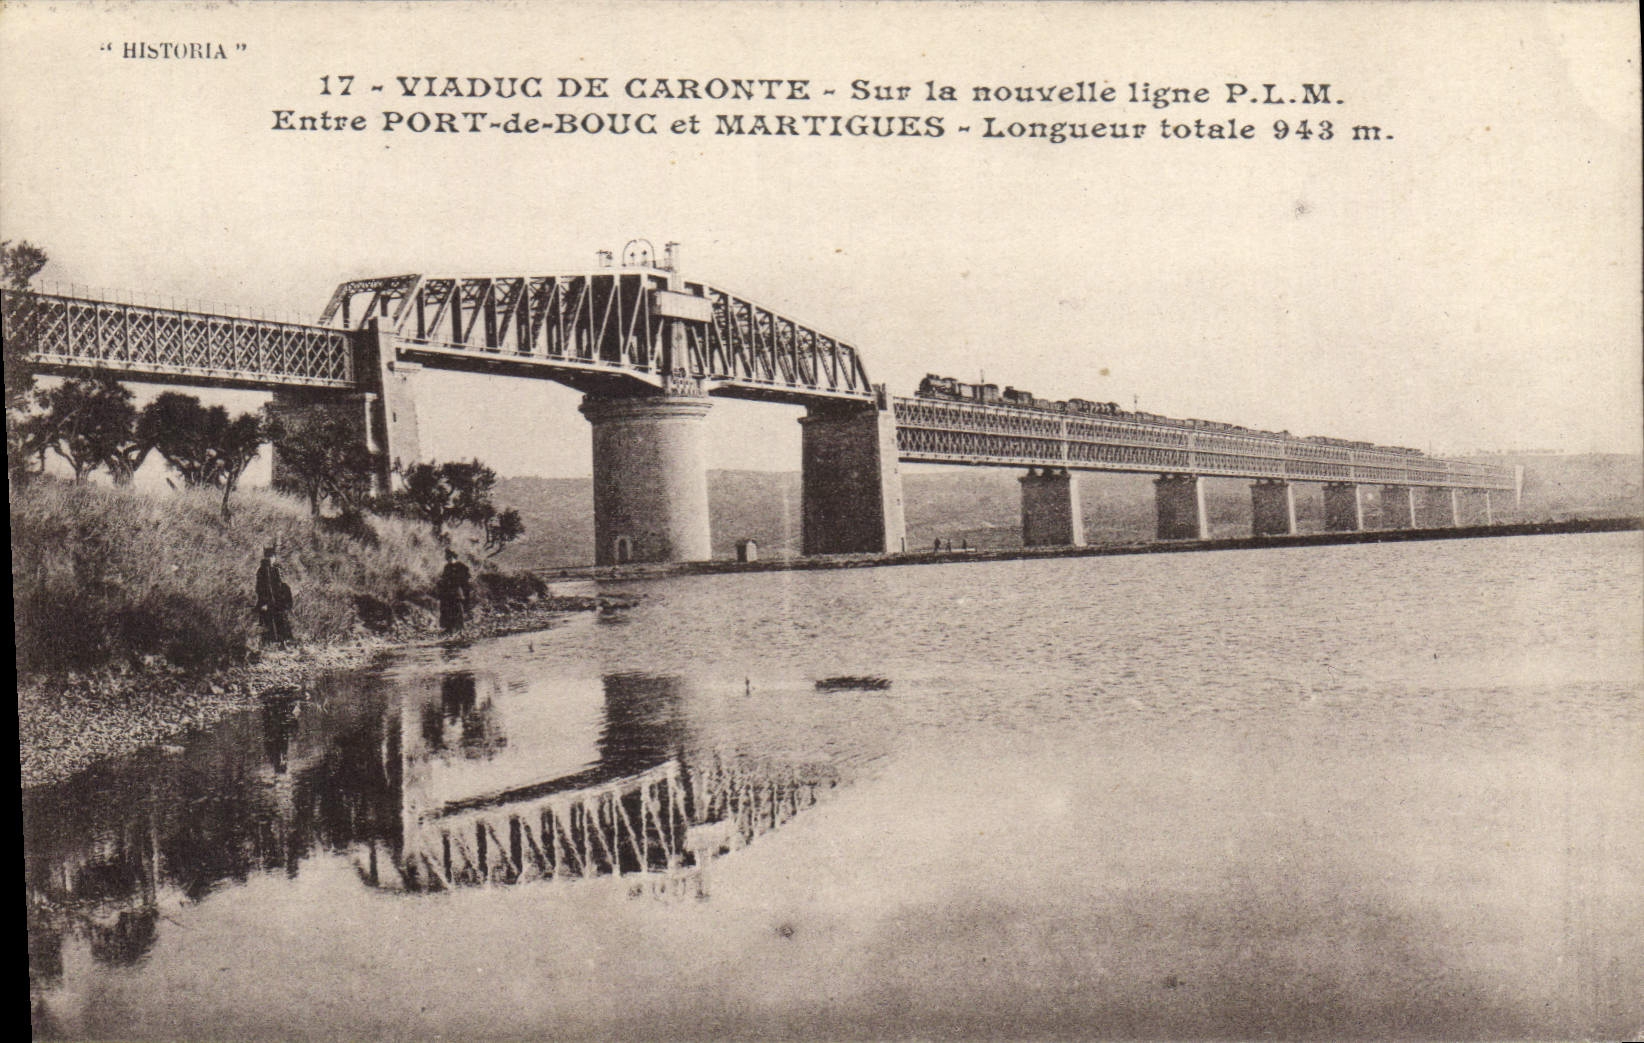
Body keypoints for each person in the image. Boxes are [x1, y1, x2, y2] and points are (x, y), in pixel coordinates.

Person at [255, 545, 294, 646]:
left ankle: (282, 642)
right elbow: (259, 588)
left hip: (277, 601)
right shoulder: (261, 571)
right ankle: (269, 644)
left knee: (281, 621)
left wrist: (284, 600)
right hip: (266, 601)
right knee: (267, 622)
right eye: (268, 556)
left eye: (272, 556)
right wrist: (264, 602)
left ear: (274, 558)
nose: (270, 559)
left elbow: (281, 586)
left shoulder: (276, 570)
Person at [436, 549, 472, 633]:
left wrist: (465, 592)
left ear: (454, 557)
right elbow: (444, 578)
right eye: (448, 558)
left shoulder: (462, 566)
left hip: (457, 592)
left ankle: (459, 628)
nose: (449, 559)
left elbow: (466, 580)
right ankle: (449, 628)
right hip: (448, 592)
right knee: (446, 609)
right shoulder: (447, 567)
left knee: (457, 610)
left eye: (450, 557)